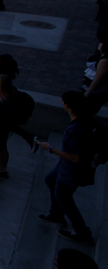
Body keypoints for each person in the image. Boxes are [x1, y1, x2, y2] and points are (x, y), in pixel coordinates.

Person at [36, 91, 96, 245]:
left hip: (71, 170)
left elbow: (77, 157)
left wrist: (50, 149)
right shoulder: (85, 121)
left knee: (65, 197)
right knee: (50, 180)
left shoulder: (75, 129)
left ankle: (82, 232)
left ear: (67, 106)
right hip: (65, 166)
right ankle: (56, 213)